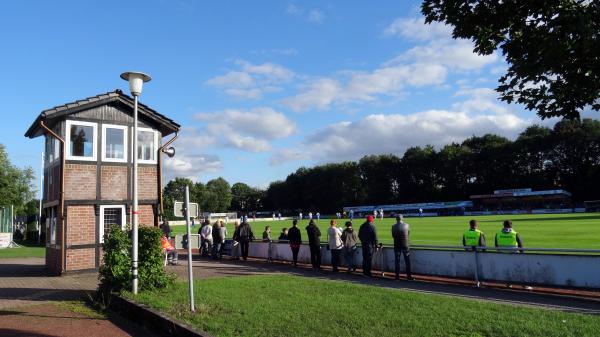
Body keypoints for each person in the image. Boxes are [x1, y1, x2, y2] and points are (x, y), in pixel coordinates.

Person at [391, 214, 413, 280]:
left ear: (396, 219)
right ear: (402, 218)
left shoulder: (393, 226)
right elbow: (408, 234)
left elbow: (393, 236)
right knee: (407, 261)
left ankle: (397, 277)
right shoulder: (407, 225)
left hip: (397, 245)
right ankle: (409, 276)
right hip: (405, 245)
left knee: (397, 261)